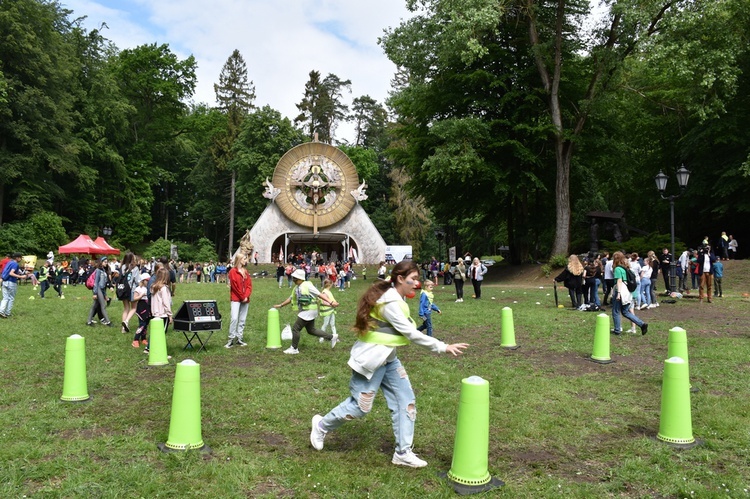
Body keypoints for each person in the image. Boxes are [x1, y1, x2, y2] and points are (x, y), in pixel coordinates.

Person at [308, 260, 469, 467]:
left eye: (417, 279)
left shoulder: (393, 292)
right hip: (371, 362)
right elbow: (410, 333)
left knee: (406, 401)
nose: (416, 284)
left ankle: (402, 452)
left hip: (389, 360)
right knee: (360, 407)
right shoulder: (391, 303)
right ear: (400, 279)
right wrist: (442, 346)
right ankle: (321, 425)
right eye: (413, 279)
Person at [274, 268, 338, 354]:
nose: (293, 280)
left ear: (300, 279)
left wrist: (331, 302)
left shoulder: (308, 285)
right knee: (311, 330)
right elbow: (291, 298)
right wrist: (281, 305)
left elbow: (319, 294)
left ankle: (294, 348)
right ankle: (332, 337)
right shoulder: (297, 287)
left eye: (295, 278)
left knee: (296, 329)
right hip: (307, 311)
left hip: (308, 311)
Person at [610, 251, 648, 336]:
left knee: (615, 311)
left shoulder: (617, 269)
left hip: (620, 292)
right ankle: (642, 324)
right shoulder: (627, 268)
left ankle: (617, 330)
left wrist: (618, 294)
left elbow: (619, 281)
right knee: (625, 311)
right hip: (628, 292)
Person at [225, 252, 253, 348]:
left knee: (242, 319)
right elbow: (235, 286)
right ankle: (231, 339)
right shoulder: (233, 271)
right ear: (240, 260)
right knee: (234, 318)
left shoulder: (245, 272)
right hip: (236, 298)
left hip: (245, 299)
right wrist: (242, 297)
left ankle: (239, 338)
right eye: (244, 259)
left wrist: (246, 296)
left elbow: (249, 285)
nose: (246, 260)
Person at [0, 253, 31, 317]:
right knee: (11, 298)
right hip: (11, 282)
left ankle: (1, 311)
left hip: (5, 281)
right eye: (20, 257)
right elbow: (11, 273)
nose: (20, 259)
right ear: (17, 258)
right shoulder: (15, 264)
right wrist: (21, 277)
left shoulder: (9, 263)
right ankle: (7, 313)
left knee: (5, 298)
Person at [119, 252, 141, 334]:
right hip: (132, 290)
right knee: (134, 308)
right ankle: (127, 321)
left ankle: (123, 329)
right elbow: (137, 280)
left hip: (123, 289)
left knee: (126, 309)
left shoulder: (123, 267)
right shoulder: (135, 268)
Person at [87, 257, 113, 327]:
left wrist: (105, 294)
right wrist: (95, 293)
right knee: (103, 305)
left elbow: (104, 284)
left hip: (101, 289)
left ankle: (89, 321)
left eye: (107, 262)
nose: (106, 263)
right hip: (97, 289)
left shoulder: (104, 271)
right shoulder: (98, 270)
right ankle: (108, 322)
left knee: (95, 305)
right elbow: (96, 282)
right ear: (101, 262)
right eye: (105, 262)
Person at [150, 267, 173, 334]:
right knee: (161, 335)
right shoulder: (164, 288)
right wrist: (170, 315)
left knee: (155, 334)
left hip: (155, 313)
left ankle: (150, 344)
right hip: (163, 314)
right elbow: (166, 302)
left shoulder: (153, 287)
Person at [131, 273, 151, 348]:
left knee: (146, 324)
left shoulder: (149, 288)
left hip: (148, 306)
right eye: (147, 280)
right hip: (141, 307)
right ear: (143, 281)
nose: (148, 282)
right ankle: (135, 339)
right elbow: (134, 298)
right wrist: (141, 295)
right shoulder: (138, 288)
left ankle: (143, 338)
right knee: (142, 324)